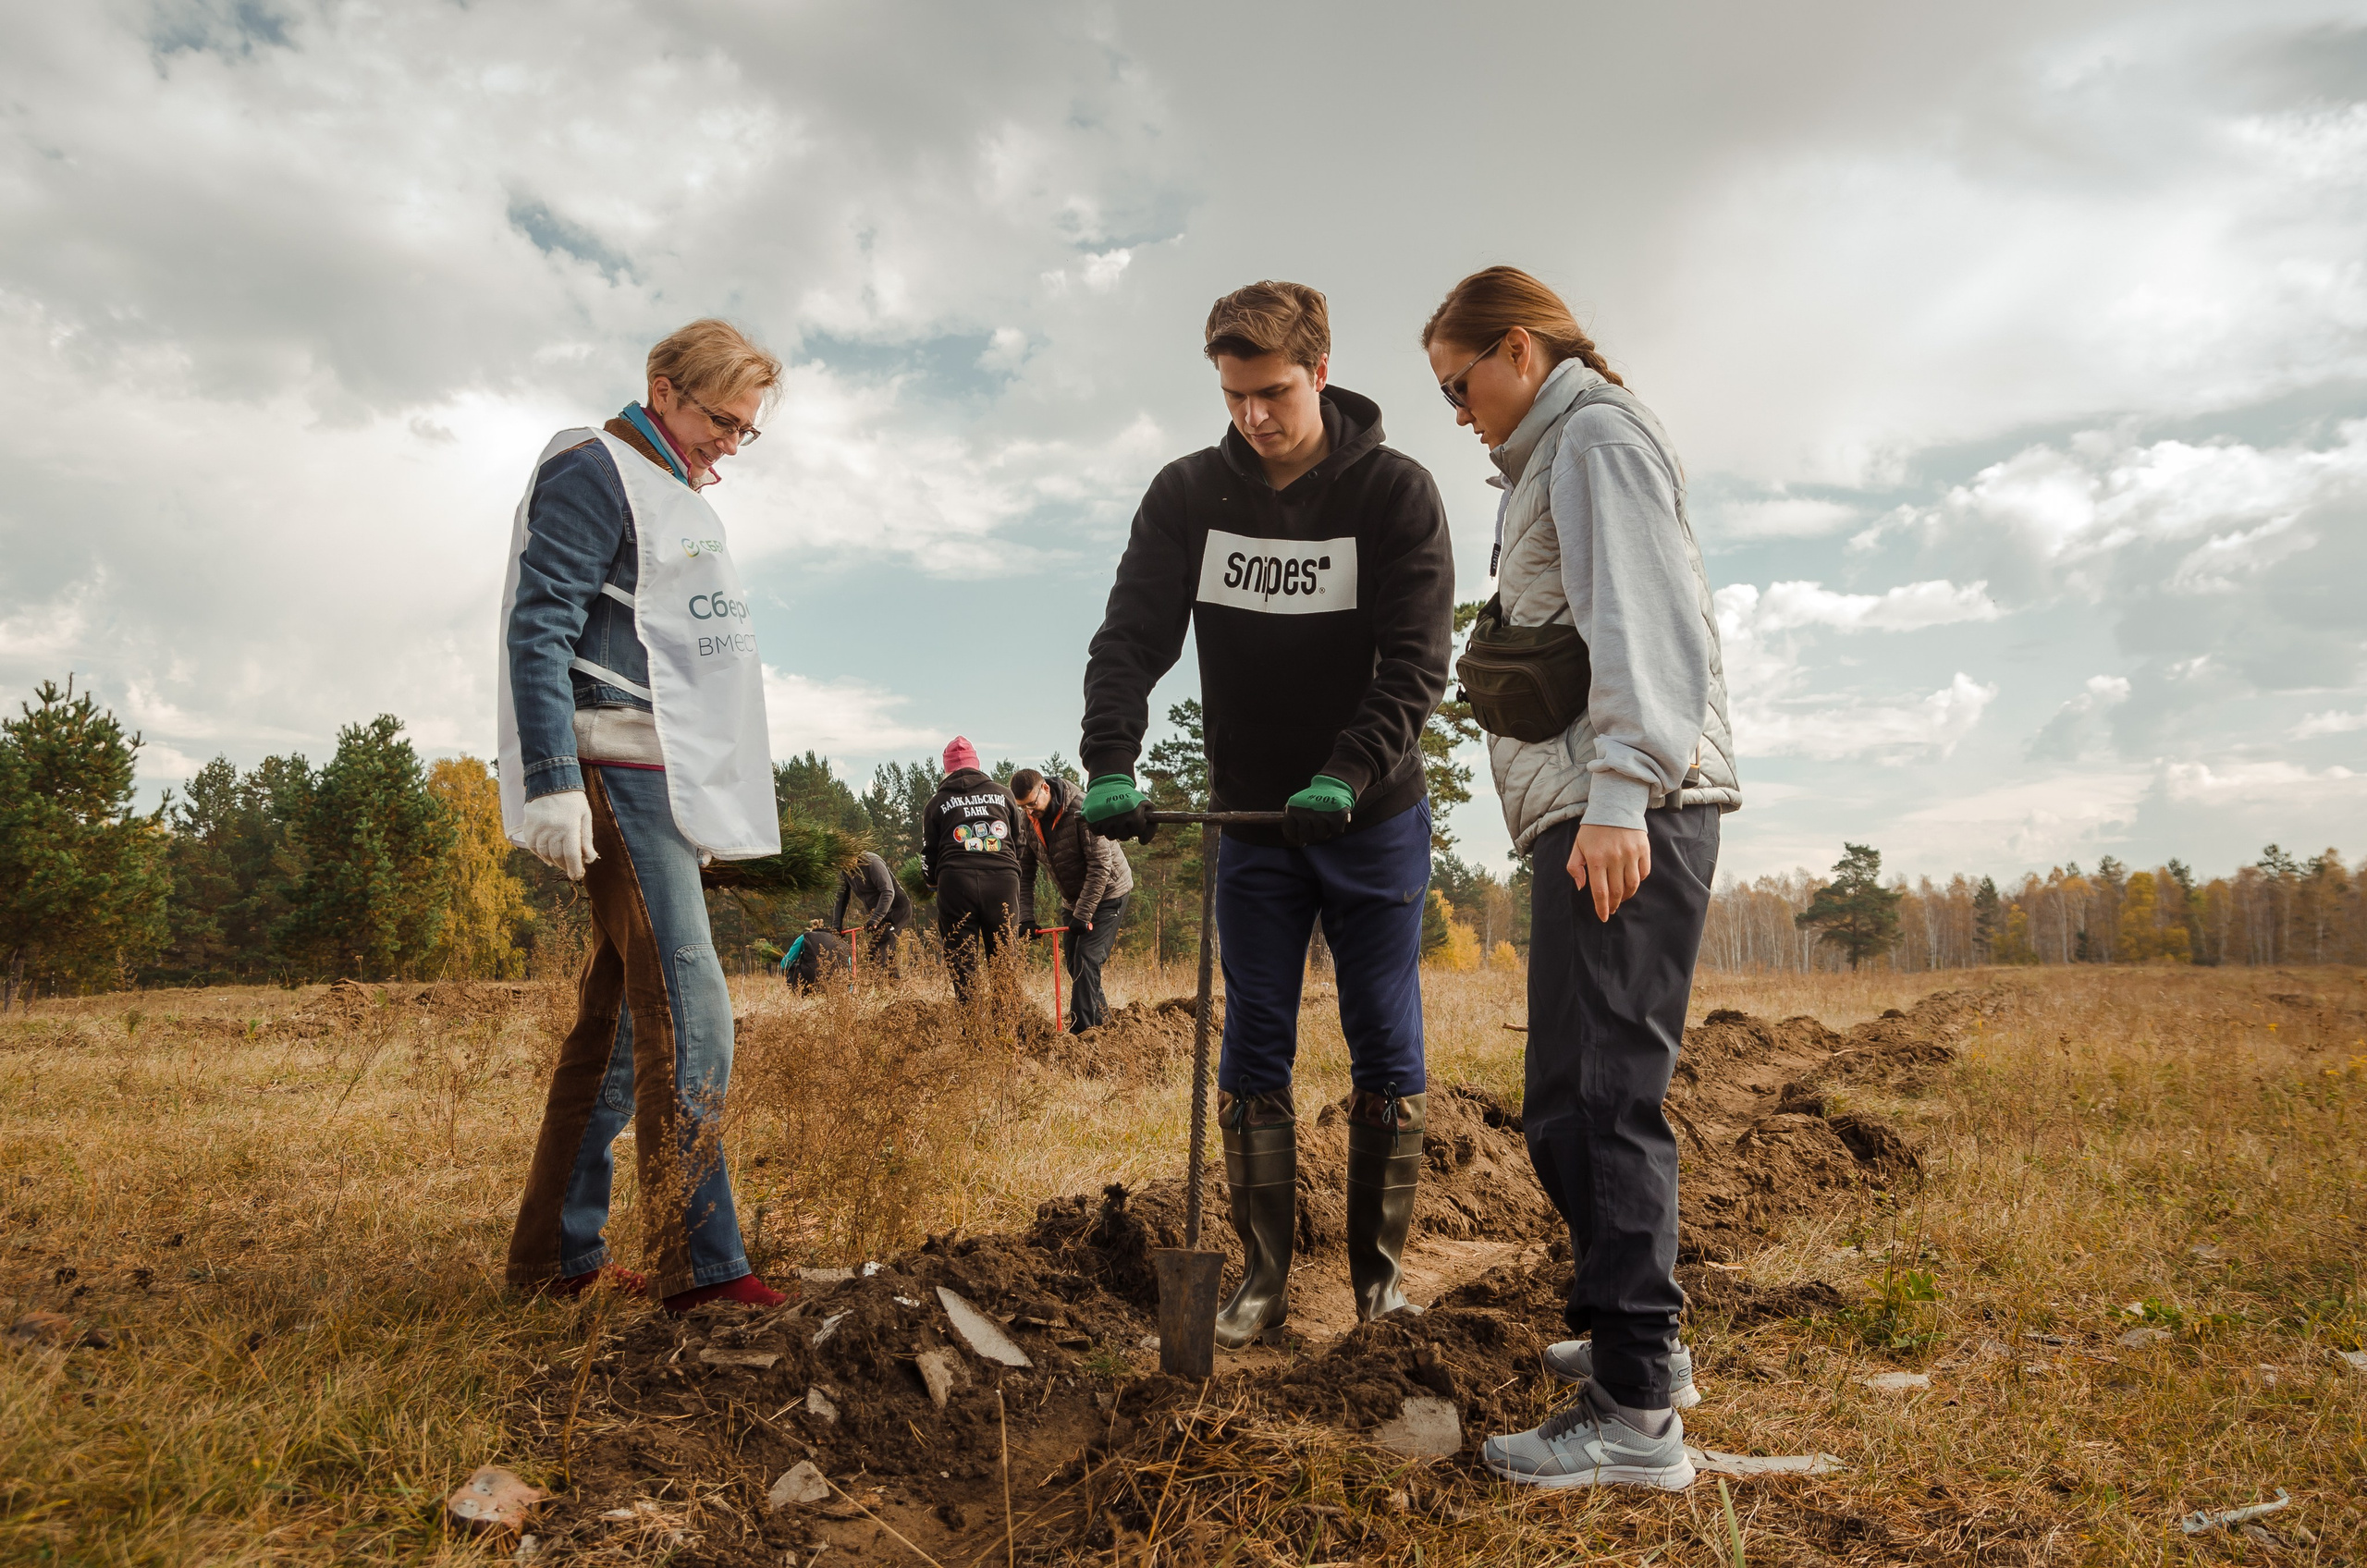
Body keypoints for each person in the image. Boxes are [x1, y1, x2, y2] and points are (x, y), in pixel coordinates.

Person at [1078, 280, 1453, 1348]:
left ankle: (1378, 1282)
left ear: (1320, 373)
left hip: (1367, 817)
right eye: (1234, 396)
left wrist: (1346, 770)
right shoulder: (1188, 495)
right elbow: (1130, 636)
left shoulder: (1394, 493)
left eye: (1273, 393)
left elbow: (1415, 661)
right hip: (1249, 823)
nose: (1253, 416)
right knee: (1252, 1042)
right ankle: (1260, 1280)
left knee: (1383, 1033)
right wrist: (1110, 759)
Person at [1420, 267, 1740, 1491]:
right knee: (1567, 1097)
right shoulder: (1554, 455)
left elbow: (1644, 623)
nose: (1458, 413)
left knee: (1603, 1099)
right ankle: (1635, 1338)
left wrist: (1619, 795)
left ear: (1519, 348)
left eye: (1460, 386)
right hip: (1595, 811)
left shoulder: (1596, 439)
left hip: (1626, 816)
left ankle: (1635, 1416)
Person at [497, 317, 790, 1315]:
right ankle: (703, 1269)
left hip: (663, 780)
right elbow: (541, 622)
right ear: (663, 389)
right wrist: (550, 776)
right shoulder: (594, 468)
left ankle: (552, 1258)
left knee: (620, 1027)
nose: (730, 445)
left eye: (746, 430)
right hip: (611, 769)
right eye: (721, 421)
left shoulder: (670, 489)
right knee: (693, 1012)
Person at [1009, 766, 1133, 1033]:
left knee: (1087, 959)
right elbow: (1025, 872)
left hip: (1110, 891)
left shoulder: (1082, 809)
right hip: (1074, 899)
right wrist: (1026, 917)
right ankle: (1103, 1028)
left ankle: (1081, 1034)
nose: (1029, 811)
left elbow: (1100, 866)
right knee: (1076, 966)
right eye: (1023, 807)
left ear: (1045, 789)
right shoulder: (1028, 820)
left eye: (1031, 804)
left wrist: (1083, 915)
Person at [921, 737, 1024, 1003]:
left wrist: (931, 882)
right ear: (976, 765)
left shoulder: (937, 803)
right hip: (1002, 880)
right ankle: (1008, 1024)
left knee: (962, 961)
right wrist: (1010, 870)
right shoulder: (1004, 794)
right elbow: (1018, 842)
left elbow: (929, 853)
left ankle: (972, 1026)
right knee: (1004, 959)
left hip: (956, 882)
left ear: (947, 769)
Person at [830, 849, 913, 979]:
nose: (847, 866)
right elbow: (841, 899)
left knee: (877, 949)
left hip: (896, 911)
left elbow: (888, 892)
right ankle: (895, 987)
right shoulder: (845, 871)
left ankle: (876, 987)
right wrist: (836, 926)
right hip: (879, 915)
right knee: (888, 954)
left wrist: (875, 919)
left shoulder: (872, 863)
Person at [780, 920, 851, 994]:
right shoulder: (843, 943)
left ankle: (802, 994)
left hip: (813, 982)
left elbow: (786, 963)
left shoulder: (806, 937)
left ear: (812, 930)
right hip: (840, 985)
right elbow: (849, 969)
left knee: (790, 970)